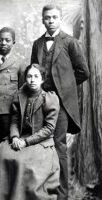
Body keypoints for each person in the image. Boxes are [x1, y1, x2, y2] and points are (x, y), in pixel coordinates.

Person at [30, 4, 89, 199]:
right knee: (40, 142)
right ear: (42, 19)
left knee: (59, 145)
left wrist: (65, 87)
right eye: (47, 17)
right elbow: (33, 71)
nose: (51, 21)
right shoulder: (37, 44)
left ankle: (62, 193)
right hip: (40, 100)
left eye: (54, 17)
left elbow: (83, 72)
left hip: (61, 103)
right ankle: (42, 189)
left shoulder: (70, 42)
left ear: (60, 19)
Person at [0, 63, 60, 200]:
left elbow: (49, 129)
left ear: (42, 79)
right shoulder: (20, 96)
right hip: (20, 137)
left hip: (40, 141)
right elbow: (14, 121)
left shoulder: (49, 98)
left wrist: (26, 142)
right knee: (3, 155)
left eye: (36, 76)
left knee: (24, 163)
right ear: (25, 78)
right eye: (29, 76)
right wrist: (14, 137)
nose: (32, 80)